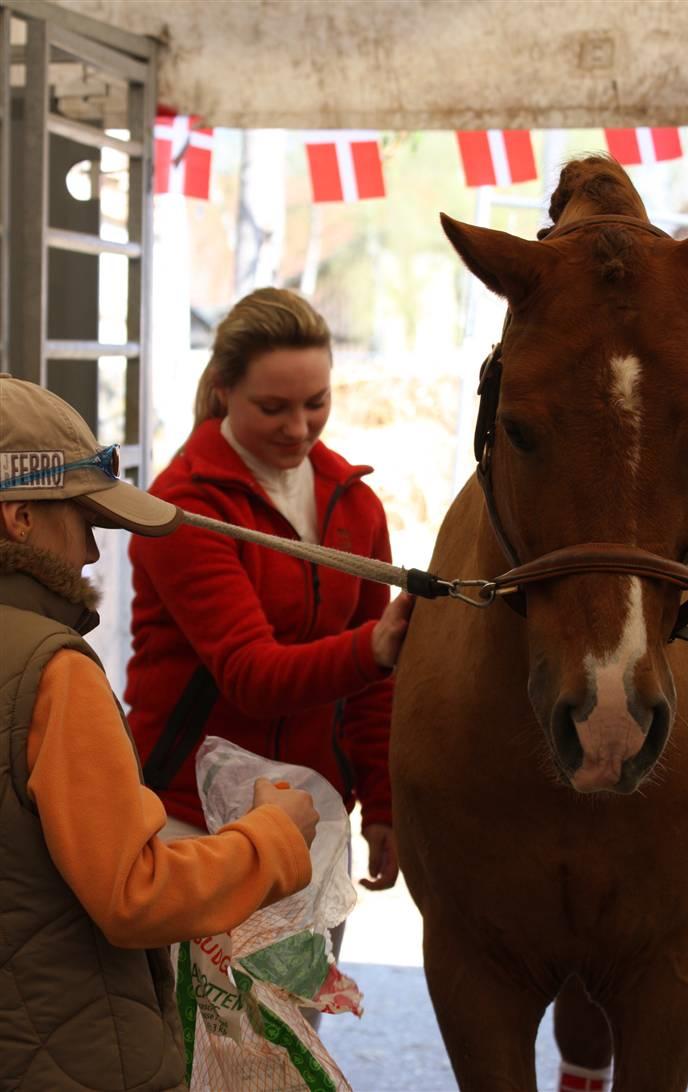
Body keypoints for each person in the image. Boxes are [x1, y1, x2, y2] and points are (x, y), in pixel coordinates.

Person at [0, 374, 319, 1091]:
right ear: (19, 518)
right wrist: (273, 836)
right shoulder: (52, 671)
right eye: (81, 517)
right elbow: (132, 895)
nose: (89, 550)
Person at [126, 287, 412, 895]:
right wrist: (375, 646)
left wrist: (383, 804)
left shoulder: (354, 503)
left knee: (309, 995)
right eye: (273, 407)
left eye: (316, 402)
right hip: (189, 818)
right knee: (203, 996)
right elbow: (252, 676)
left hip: (312, 815)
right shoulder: (182, 508)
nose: (299, 428)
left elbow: (372, 691)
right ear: (223, 390)